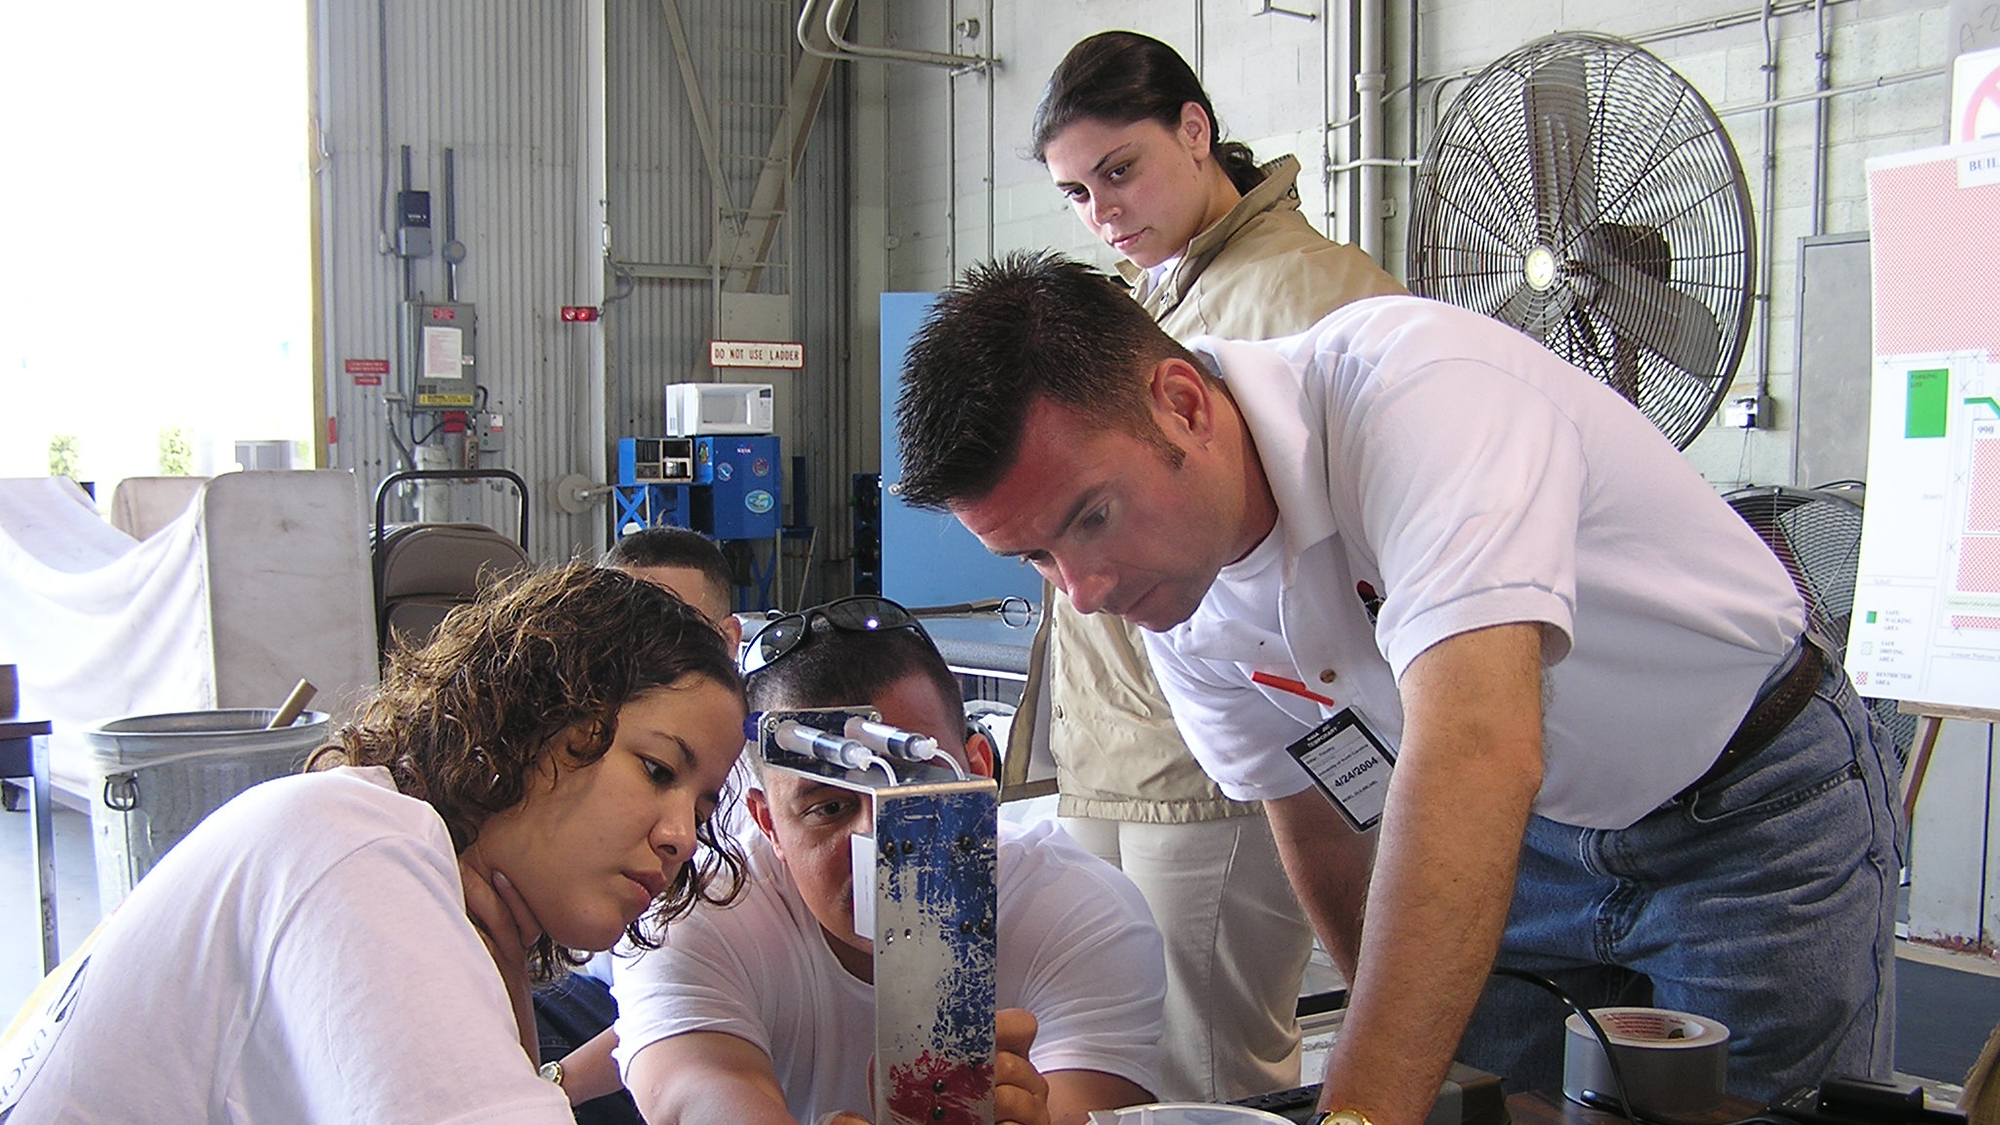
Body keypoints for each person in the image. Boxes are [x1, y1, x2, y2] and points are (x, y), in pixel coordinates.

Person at [892, 251, 1902, 1122]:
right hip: (1529, 840)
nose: (1086, 590)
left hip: (1744, 807)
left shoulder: (1418, 396)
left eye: (1090, 519)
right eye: (1034, 558)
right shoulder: (1174, 595)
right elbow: (1320, 820)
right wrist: (1401, 1047)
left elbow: (1475, 747)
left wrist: (1364, 1107)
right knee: (1469, 1103)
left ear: (1183, 405)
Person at [1, 562, 749, 1123]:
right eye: (656, 769)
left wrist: (516, 1015)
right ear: (541, 711)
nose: (679, 834)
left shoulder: (385, 845)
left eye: (703, 803)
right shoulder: (357, 849)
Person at [1019, 29, 1406, 1101]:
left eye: (1118, 170)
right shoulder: (1154, 298)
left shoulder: (1314, 294)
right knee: (1095, 1048)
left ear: (1194, 132)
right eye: (1075, 192)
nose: (1100, 210)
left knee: (1205, 1070)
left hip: (1224, 762)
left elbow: (1380, 546)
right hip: (1115, 742)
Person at [611, 596, 1169, 1125]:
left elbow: (1087, 1103)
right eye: (828, 807)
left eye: (918, 787)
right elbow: (696, 1092)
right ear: (768, 825)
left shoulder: (1078, 913)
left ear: (980, 773)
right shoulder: (698, 915)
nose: (880, 842)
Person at [533, 527, 746, 1125]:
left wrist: (546, 1086)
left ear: (729, 640)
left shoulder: (756, 788)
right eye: (619, 636)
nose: (680, 834)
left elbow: (685, 1018)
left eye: (679, 631)